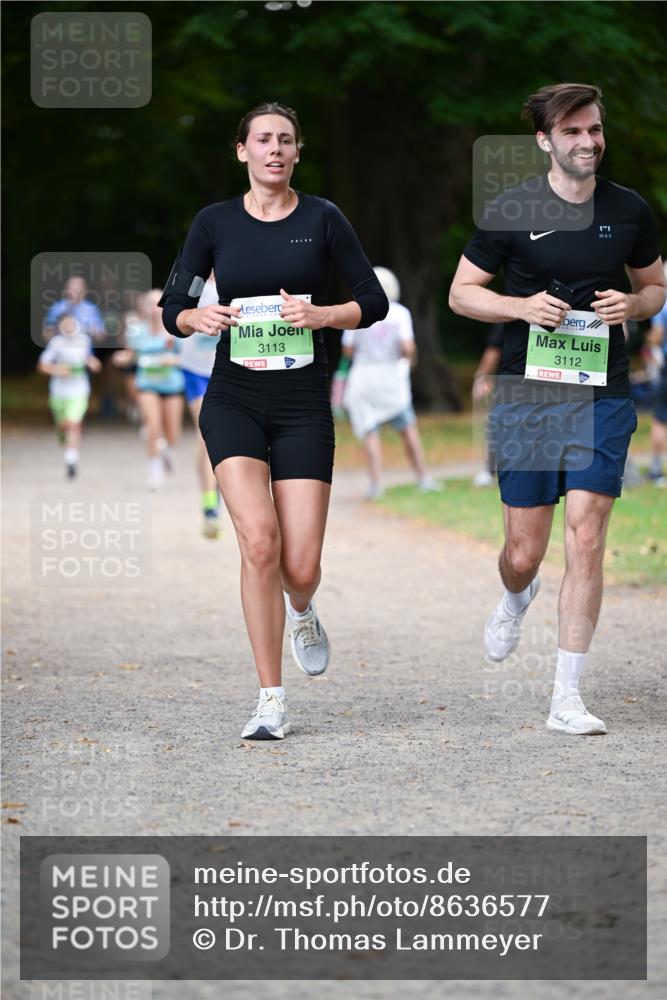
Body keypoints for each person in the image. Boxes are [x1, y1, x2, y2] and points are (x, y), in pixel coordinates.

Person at [158, 102, 387, 740]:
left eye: (286, 140)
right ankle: (269, 696)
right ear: (243, 151)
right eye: (263, 140)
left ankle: (304, 610)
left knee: (302, 565)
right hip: (233, 396)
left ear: (297, 151)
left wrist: (323, 317)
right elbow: (173, 301)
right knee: (259, 541)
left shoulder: (324, 219)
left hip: (302, 404)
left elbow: (374, 301)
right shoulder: (214, 223)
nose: (275, 150)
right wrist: (193, 319)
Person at [449, 82, 665, 736]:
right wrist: (518, 307)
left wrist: (630, 306)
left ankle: (565, 696)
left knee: (587, 533)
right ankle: (516, 595)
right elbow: (461, 293)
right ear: (544, 140)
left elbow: (655, 284)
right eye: (572, 131)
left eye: (594, 129)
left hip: (602, 392)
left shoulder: (628, 211)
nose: (587, 141)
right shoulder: (510, 209)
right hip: (530, 398)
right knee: (524, 550)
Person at [342, 266, 440, 500]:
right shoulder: (399, 314)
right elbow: (407, 349)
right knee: (407, 429)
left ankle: (376, 484)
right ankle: (423, 477)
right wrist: (408, 362)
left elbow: (347, 350)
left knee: (369, 431)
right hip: (391, 378)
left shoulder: (357, 311)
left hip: (364, 378)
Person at [115, 290, 185, 490]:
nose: (154, 309)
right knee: (153, 427)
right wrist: (121, 358)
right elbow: (131, 355)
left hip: (172, 385)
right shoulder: (136, 330)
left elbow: (186, 358)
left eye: (158, 304)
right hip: (146, 384)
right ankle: (155, 474)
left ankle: (167, 450)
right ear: (144, 307)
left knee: (173, 434)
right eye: (151, 304)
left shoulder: (175, 329)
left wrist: (169, 359)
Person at [178, 272, 224, 537]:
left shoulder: (241, 275)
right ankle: (210, 507)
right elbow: (173, 313)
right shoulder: (193, 282)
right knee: (206, 435)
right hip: (196, 370)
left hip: (230, 368)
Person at [37, 312, 102, 477]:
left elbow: (89, 358)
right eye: (66, 324)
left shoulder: (84, 341)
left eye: (72, 323)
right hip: (59, 390)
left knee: (74, 423)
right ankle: (60, 433)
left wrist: (93, 364)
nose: (69, 327)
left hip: (79, 390)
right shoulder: (56, 343)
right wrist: (57, 370)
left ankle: (71, 460)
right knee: (63, 425)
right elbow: (43, 365)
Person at [471, 323, 503, 487]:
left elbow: (494, 349)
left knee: (495, 424)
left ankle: (489, 471)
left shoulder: (511, 311)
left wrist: (481, 376)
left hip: (512, 381)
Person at [647, 265, 667, 485]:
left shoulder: (663, 306)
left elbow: (657, 336)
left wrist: (650, 345)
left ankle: (656, 470)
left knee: (661, 419)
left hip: (665, 367)